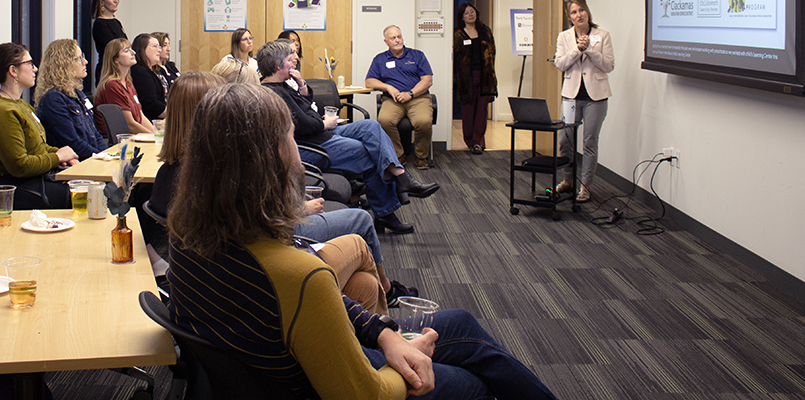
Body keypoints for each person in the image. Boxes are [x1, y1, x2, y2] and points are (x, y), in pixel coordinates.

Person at [166, 82, 561, 400]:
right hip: (322, 381)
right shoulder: (299, 275)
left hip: (281, 362)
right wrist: (401, 362)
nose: (297, 153)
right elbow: (365, 393)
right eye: (290, 137)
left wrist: (385, 333)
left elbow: (327, 306)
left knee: (460, 323)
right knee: (471, 382)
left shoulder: (185, 232)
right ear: (266, 162)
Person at [151, 72, 415, 311]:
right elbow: (255, 228)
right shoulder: (221, 171)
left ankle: (377, 323)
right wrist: (296, 208)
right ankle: (386, 301)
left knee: (364, 285)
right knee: (360, 228)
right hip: (265, 273)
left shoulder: (190, 173)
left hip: (246, 273)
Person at [258, 40, 440, 235]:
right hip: (313, 145)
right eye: (288, 59)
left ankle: (400, 178)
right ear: (278, 66)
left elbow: (309, 108)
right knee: (369, 153)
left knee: (370, 126)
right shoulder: (274, 94)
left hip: (321, 134)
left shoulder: (284, 85)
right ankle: (390, 205)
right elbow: (306, 124)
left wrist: (302, 85)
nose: (293, 61)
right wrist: (324, 123)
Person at [0, 43, 78, 208]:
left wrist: (68, 157)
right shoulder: (1, 111)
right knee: (86, 193)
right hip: (20, 187)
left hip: (34, 180)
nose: (35, 69)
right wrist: (58, 157)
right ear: (13, 71)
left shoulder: (21, 105)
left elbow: (39, 147)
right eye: (30, 64)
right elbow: (20, 166)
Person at [554, 0, 614, 203]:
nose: (578, 15)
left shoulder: (602, 35)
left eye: (581, 10)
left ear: (587, 12)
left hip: (595, 97)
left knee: (590, 141)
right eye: (573, 12)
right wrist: (576, 50)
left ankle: (586, 186)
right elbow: (560, 64)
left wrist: (589, 49)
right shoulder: (564, 37)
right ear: (569, 18)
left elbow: (608, 65)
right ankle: (568, 180)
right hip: (571, 96)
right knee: (565, 140)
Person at [365, 25, 435, 169]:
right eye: (393, 38)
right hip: (393, 100)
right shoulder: (380, 59)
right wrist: (388, 87)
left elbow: (428, 80)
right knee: (384, 120)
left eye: (399, 36)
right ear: (386, 42)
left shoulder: (417, 55)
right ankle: (398, 155)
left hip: (418, 98)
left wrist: (410, 94)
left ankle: (421, 157)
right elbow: (369, 81)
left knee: (423, 121)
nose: (397, 40)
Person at [34, 39, 107, 161]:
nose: (85, 62)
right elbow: (72, 142)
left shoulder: (78, 94)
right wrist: (101, 157)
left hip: (91, 159)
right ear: (63, 64)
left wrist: (108, 154)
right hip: (73, 165)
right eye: (78, 59)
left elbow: (95, 134)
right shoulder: (53, 99)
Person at [452, 3, 498, 155]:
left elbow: (493, 52)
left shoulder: (485, 31)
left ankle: (479, 141)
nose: (470, 15)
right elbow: (455, 57)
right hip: (466, 78)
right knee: (468, 110)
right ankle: (470, 140)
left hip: (485, 76)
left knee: (482, 110)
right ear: (462, 17)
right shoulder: (458, 34)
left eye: (472, 11)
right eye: (466, 13)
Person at [95, 38, 155, 135]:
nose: (133, 53)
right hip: (118, 141)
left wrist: (156, 134)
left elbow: (140, 116)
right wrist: (154, 137)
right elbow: (130, 124)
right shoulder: (112, 86)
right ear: (116, 60)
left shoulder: (128, 83)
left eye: (131, 49)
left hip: (132, 136)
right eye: (126, 51)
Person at [91, 0, 126, 85]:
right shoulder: (100, 24)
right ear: (102, 2)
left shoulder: (116, 22)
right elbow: (113, 48)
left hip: (119, 68)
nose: (116, 1)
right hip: (108, 69)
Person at [130, 33, 168, 120]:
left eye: (159, 47)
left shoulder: (157, 70)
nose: (159, 50)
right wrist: (176, 114)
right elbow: (151, 104)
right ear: (142, 49)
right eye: (155, 46)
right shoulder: (139, 71)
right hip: (152, 121)